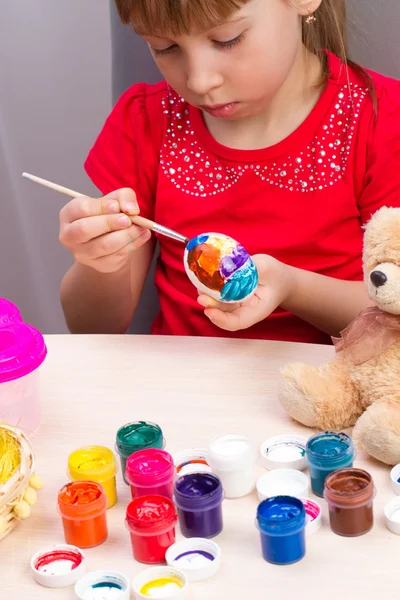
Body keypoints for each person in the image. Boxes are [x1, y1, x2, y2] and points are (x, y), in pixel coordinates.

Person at [59, 0, 400, 343]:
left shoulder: (381, 122)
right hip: (184, 383)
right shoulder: (146, 121)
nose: (200, 80)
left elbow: (393, 316)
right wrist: (100, 263)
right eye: (166, 47)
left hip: (332, 386)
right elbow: (92, 327)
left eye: (228, 39)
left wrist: (292, 288)